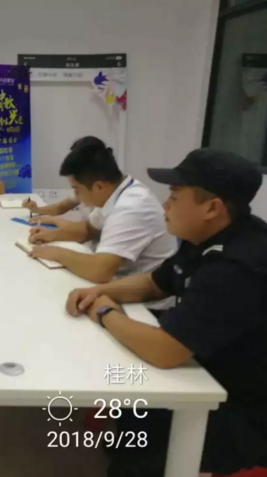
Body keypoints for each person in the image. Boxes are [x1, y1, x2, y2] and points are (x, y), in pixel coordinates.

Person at [66, 149, 267, 476]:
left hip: (240, 408)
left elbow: (165, 350)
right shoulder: (207, 236)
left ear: (211, 208)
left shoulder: (236, 266)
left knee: (141, 458)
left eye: (174, 197)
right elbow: (155, 282)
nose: (164, 207)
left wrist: (105, 313)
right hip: (204, 365)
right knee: (128, 399)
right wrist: (102, 292)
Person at [28, 137, 177, 286]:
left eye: (77, 190)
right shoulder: (115, 192)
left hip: (142, 296)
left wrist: (57, 253)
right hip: (120, 281)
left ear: (99, 186)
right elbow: (88, 229)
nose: (77, 196)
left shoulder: (131, 206)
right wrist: (53, 235)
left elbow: (100, 271)